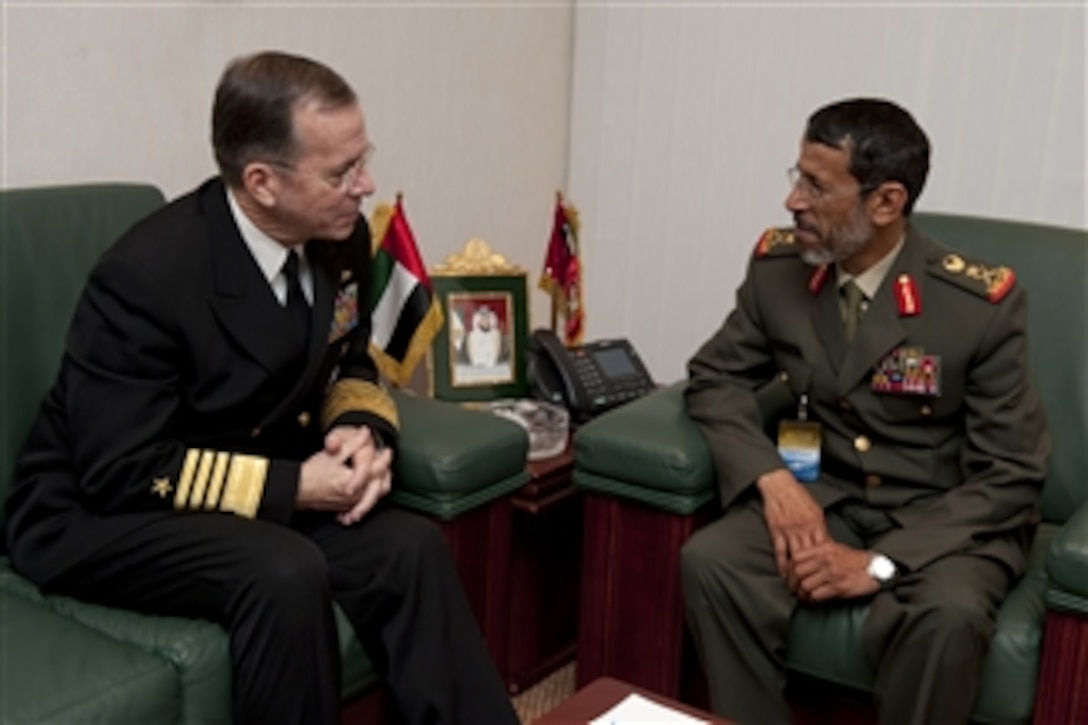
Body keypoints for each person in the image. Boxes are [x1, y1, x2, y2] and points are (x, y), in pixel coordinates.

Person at [5, 50, 518, 725]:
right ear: (262, 182)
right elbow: (120, 468)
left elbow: (352, 358)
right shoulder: (147, 276)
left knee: (409, 547)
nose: (365, 185)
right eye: (341, 172)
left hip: (253, 474)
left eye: (363, 158)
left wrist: (358, 430)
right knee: (283, 572)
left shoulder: (339, 239)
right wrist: (296, 487)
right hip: (102, 508)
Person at [680, 98, 1049, 725]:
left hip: (945, 518)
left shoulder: (976, 305)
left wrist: (880, 564)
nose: (793, 201)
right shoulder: (779, 271)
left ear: (885, 203)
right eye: (796, 176)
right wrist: (772, 482)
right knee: (713, 561)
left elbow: (1011, 472)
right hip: (828, 495)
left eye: (816, 186)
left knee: (948, 616)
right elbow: (714, 378)